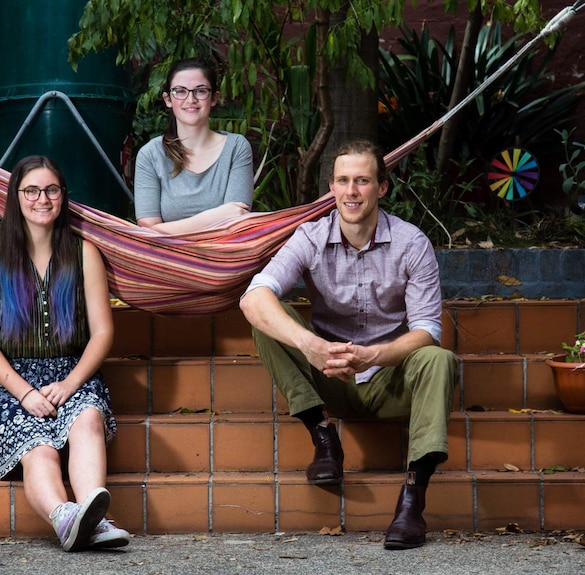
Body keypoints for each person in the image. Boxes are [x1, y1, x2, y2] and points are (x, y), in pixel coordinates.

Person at [239, 140, 457, 550]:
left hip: (389, 378)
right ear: (331, 188)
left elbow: (427, 328)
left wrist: (373, 355)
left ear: (382, 188)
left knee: (438, 359)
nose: (352, 191)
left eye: (362, 181)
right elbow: (254, 297)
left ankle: (413, 499)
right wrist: (312, 345)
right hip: (328, 376)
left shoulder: (412, 243)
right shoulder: (310, 236)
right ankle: (323, 436)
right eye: (343, 181)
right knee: (268, 319)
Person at [0, 155, 130, 551]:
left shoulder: (83, 252)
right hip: (9, 383)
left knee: (87, 418)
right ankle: (65, 516)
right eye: (32, 190)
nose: (42, 198)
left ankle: (95, 520)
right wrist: (24, 392)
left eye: (51, 189)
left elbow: (103, 331)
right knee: (37, 446)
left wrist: (71, 384)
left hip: (72, 373)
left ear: (63, 196)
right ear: (16, 197)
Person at [134, 58, 254, 234]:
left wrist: (167, 230)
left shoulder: (236, 147)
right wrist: (214, 217)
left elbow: (235, 226)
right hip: (163, 259)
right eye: (180, 91)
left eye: (200, 91)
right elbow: (148, 233)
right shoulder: (150, 155)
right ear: (168, 99)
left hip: (224, 257)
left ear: (214, 98)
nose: (190, 99)